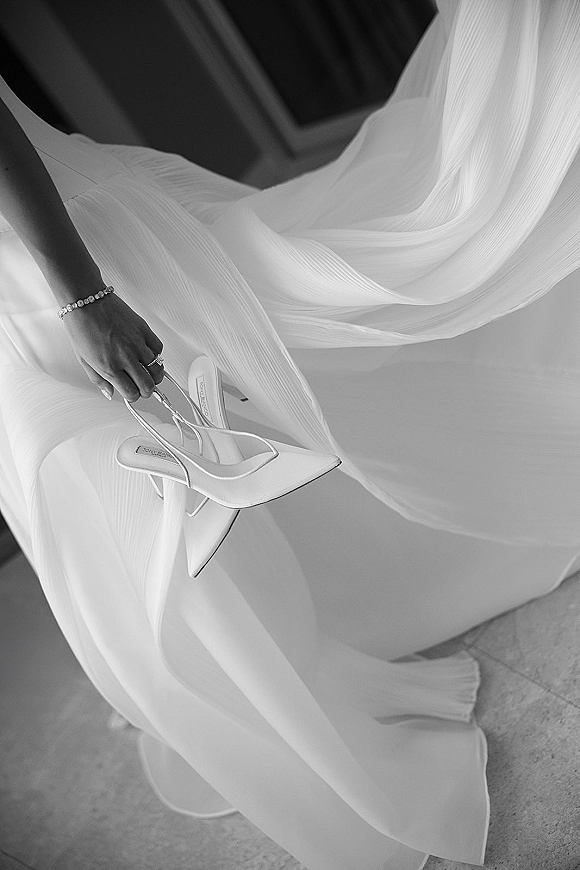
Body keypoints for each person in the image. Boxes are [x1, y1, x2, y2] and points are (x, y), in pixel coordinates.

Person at [1, 1, 580, 867]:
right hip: (21, 300)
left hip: (38, 264)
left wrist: (83, 297)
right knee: (132, 489)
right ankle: (243, 669)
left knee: (273, 382)